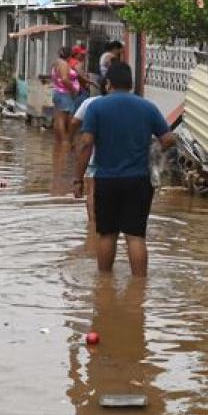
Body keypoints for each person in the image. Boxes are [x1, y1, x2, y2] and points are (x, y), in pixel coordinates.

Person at [74, 62, 175, 276]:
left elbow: (85, 144)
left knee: (107, 235)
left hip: (107, 180)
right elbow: (168, 139)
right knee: (136, 236)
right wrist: (151, 150)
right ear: (131, 84)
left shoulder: (96, 108)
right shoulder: (147, 107)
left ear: (108, 83)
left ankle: (104, 284)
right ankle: (139, 287)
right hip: (139, 180)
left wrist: (78, 179)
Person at [69, 76, 108, 251]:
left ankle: (93, 227)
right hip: (122, 160)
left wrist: (70, 140)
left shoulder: (91, 103)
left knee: (92, 190)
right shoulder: (132, 104)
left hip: (95, 155)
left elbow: (75, 123)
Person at [51, 46, 79, 144]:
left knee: (59, 117)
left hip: (58, 92)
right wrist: (72, 89)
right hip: (64, 93)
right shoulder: (63, 64)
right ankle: (65, 141)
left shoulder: (57, 63)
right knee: (64, 118)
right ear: (69, 56)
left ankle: (59, 141)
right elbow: (64, 79)